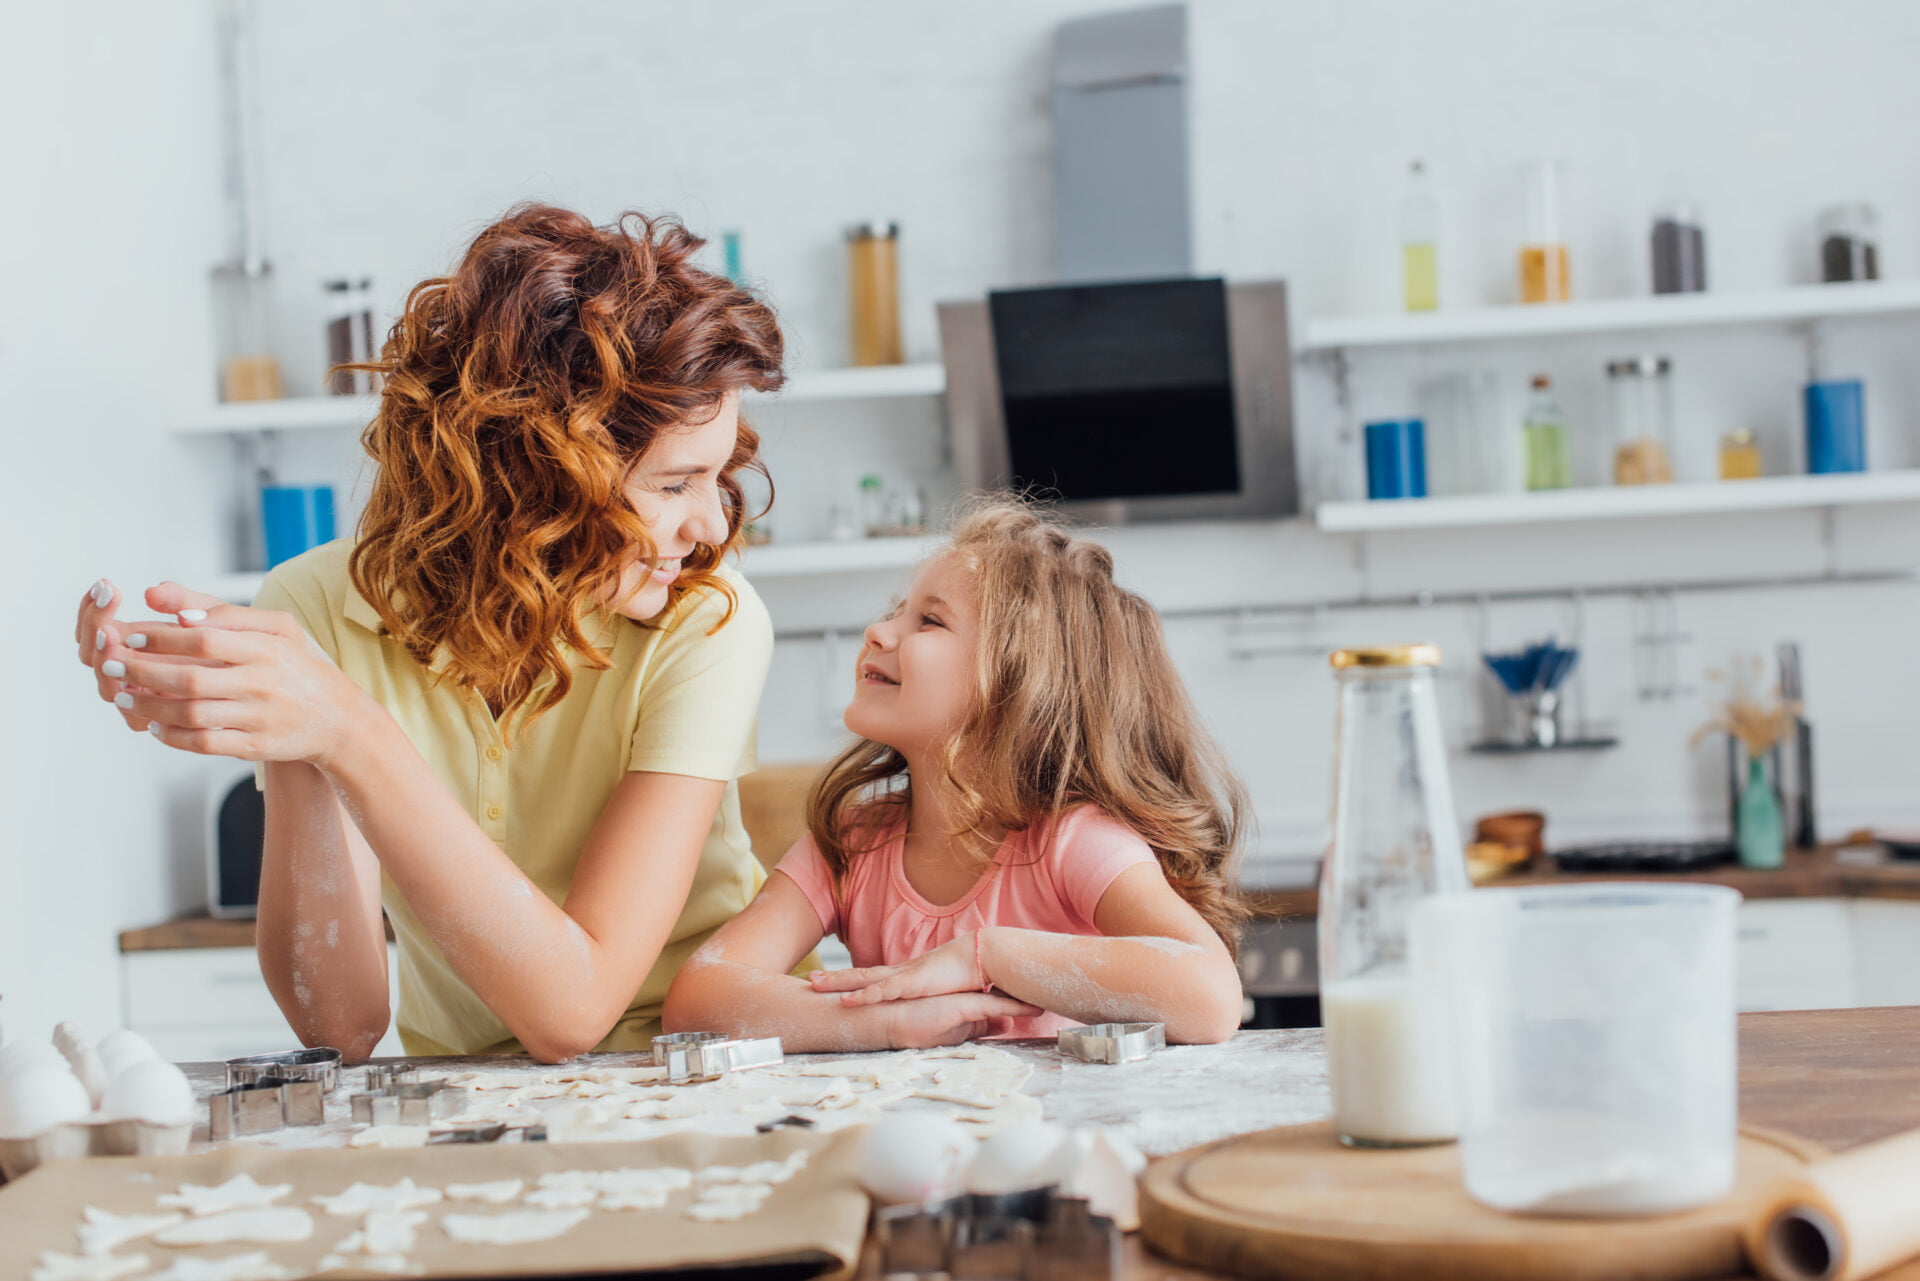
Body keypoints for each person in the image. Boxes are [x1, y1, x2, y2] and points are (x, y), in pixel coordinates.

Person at [65, 205, 966, 1063]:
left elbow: (573, 1009)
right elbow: (338, 1026)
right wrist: (297, 727)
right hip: (467, 1104)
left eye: (716, 476)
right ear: (537, 477)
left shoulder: (706, 619)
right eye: (672, 484)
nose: (711, 526)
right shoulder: (310, 606)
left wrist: (347, 726)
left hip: (705, 1070)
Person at [664, 498, 1250, 1049]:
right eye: (897, 610)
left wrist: (984, 956)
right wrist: (889, 1020)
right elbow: (699, 1001)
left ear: (1020, 686)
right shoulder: (853, 842)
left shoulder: (1072, 842)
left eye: (930, 621)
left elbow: (1210, 997)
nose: (879, 631)